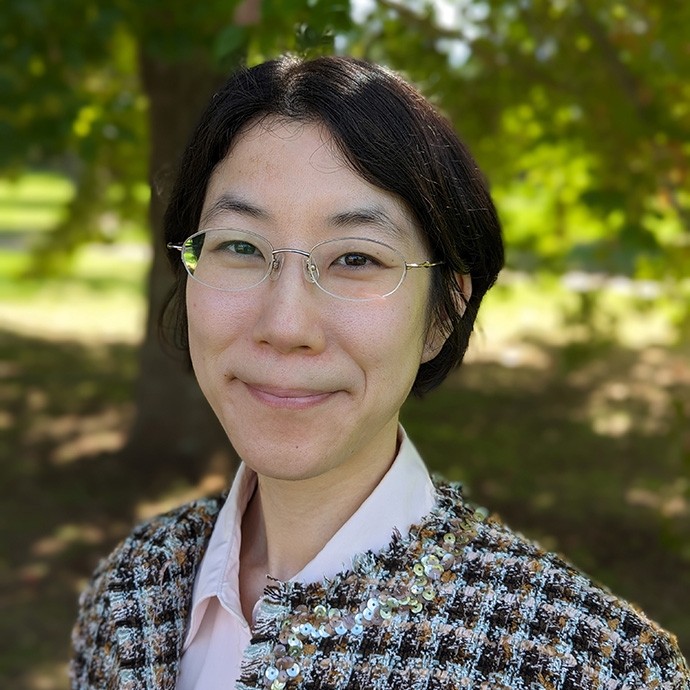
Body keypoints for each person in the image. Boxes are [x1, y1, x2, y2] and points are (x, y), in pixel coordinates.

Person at [70, 55, 690, 690]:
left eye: (357, 259)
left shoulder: (587, 666)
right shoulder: (132, 590)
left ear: (443, 314)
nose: (286, 326)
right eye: (240, 246)